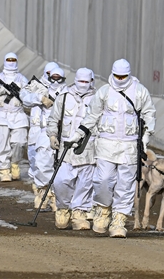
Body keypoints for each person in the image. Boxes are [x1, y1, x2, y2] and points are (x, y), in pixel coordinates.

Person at [74, 59, 156, 238]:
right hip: (106, 144)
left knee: (125, 184)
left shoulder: (140, 91)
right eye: (117, 76)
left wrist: (146, 135)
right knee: (103, 179)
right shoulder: (104, 91)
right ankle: (103, 210)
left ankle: (119, 220)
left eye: (123, 76)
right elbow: (92, 114)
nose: (120, 79)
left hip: (129, 145)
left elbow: (149, 113)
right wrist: (80, 133)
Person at [47, 67, 97, 230]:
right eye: (80, 81)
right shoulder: (64, 97)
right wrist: (52, 136)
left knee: (85, 183)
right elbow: (53, 119)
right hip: (66, 149)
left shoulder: (98, 99)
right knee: (61, 181)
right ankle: (63, 209)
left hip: (88, 149)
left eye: (86, 81)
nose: (83, 84)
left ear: (91, 81)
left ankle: (79, 213)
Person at [21, 65, 66, 210]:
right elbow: (25, 98)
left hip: (63, 131)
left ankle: (56, 196)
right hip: (43, 130)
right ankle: (44, 192)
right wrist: (40, 98)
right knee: (40, 162)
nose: (56, 81)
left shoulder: (67, 92)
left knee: (60, 165)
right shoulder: (40, 89)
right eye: (53, 77)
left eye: (59, 78)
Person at [0, 52, 30, 182]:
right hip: (1, 115)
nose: (11, 62)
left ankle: (15, 163)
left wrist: (22, 91)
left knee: (19, 143)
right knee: (2, 144)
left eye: (13, 60)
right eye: (8, 60)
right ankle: (4, 170)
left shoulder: (22, 79)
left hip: (18, 115)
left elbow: (29, 95)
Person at [25, 62, 59, 185]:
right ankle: (37, 185)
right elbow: (24, 97)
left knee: (49, 159)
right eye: (48, 74)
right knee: (33, 158)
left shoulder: (62, 89)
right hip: (35, 128)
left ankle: (47, 187)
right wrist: (40, 98)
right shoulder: (35, 85)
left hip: (49, 128)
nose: (51, 77)